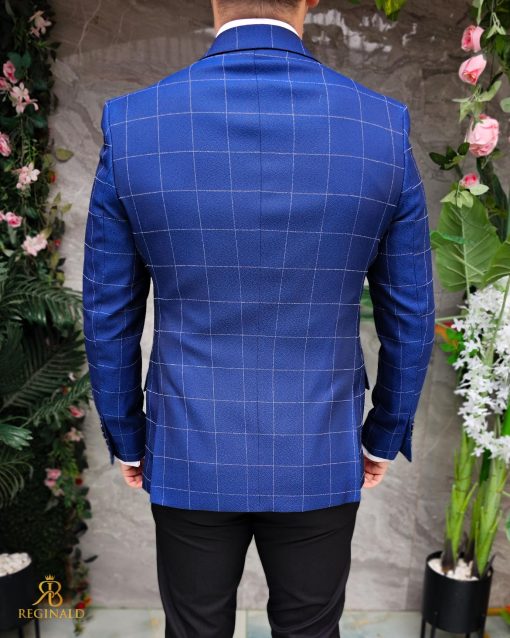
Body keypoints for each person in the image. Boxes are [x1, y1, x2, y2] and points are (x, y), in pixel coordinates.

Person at [82, 0, 435, 635]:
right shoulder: (380, 126)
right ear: (309, 0)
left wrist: (128, 434)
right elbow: (409, 313)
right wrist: (382, 434)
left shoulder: (135, 123)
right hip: (318, 443)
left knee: (194, 629)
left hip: (189, 441)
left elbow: (109, 309)